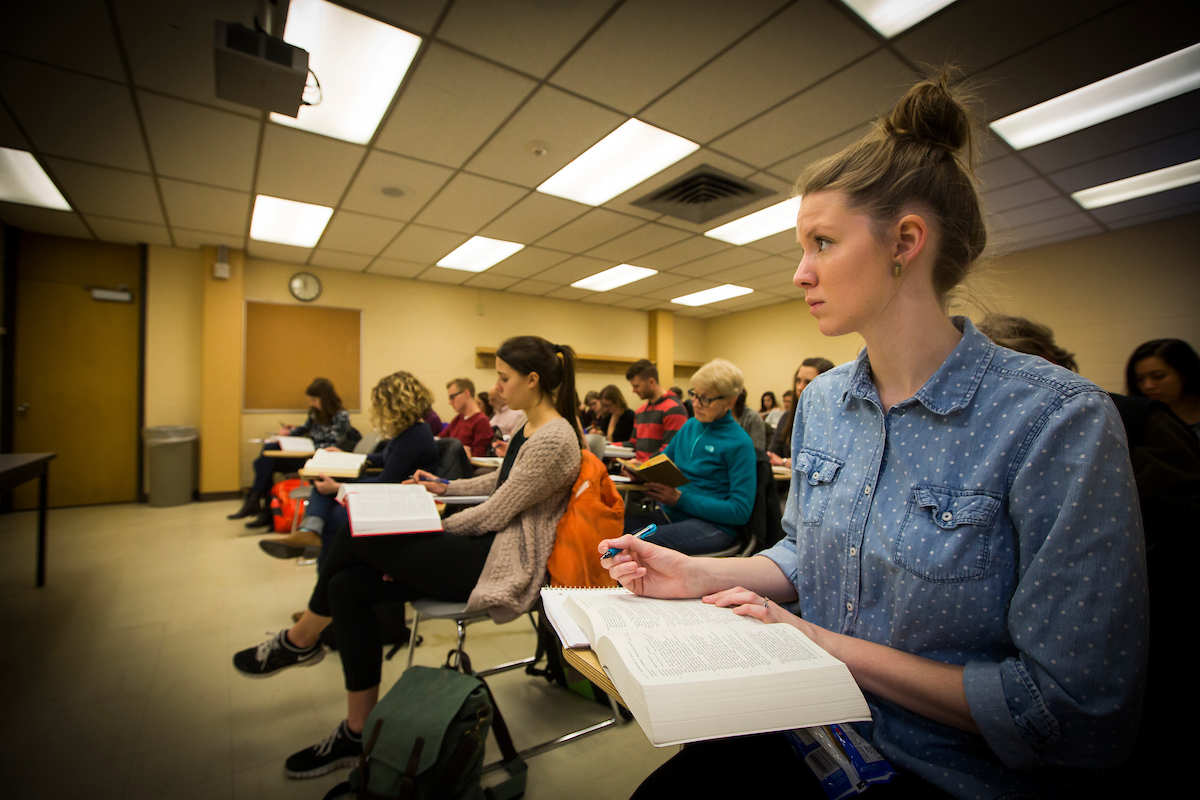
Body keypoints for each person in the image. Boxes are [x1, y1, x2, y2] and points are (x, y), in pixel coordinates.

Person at [600, 75, 1147, 800]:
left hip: (938, 769)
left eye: (822, 242)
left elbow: (1072, 714)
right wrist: (698, 575)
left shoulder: (1054, 420)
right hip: (809, 724)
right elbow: (804, 551)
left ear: (905, 242)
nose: (800, 272)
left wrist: (822, 644)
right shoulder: (825, 400)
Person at [233, 336, 583, 779]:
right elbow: (501, 483)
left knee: (358, 534)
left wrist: (428, 525)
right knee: (346, 587)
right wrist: (444, 488)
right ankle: (356, 730)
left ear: (532, 381)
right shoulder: (532, 426)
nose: (495, 386)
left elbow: (498, 510)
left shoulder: (556, 436)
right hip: (485, 546)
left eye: (503, 377)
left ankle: (300, 640)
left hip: (500, 560)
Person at [257, 371, 440, 563]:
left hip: (400, 496)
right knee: (327, 482)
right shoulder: (408, 432)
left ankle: (315, 540)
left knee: (335, 509)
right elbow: (384, 459)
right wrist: (348, 456)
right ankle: (309, 532)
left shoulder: (415, 436)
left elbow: (387, 480)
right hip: (392, 489)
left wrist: (338, 488)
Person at [621, 359, 756, 555]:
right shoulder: (690, 426)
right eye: (694, 395)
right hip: (674, 515)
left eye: (706, 399)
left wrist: (680, 499)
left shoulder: (739, 443)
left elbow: (740, 511)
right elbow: (660, 463)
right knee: (614, 532)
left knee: (634, 548)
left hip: (714, 527)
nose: (696, 404)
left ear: (730, 401)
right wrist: (641, 472)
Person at [229, 377, 351, 528]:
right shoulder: (314, 413)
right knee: (266, 455)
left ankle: (258, 503)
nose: (312, 403)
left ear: (324, 399)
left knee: (262, 463)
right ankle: (260, 505)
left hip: (319, 458)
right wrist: (289, 433)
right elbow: (305, 428)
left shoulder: (340, 416)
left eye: (314, 400)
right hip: (308, 453)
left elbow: (334, 442)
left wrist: (311, 444)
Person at [1126, 338, 1200, 438]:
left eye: (1158, 376)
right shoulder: (1136, 420)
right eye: (1139, 379)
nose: (1147, 386)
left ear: (1185, 373)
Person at [766, 358, 833, 468]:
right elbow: (773, 455)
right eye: (798, 381)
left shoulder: (834, 420)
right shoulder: (788, 417)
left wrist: (785, 462)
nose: (800, 387)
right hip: (786, 482)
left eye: (808, 382)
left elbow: (824, 464)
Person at [624, 359, 688, 461]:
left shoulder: (674, 409)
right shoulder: (640, 411)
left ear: (651, 382)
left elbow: (670, 450)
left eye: (636, 386)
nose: (633, 391)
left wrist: (642, 465)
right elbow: (633, 444)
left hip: (657, 474)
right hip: (639, 471)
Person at [441, 378, 493, 457]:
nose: (450, 403)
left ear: (466, 393)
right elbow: (440, 440)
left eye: (452, 397)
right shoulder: (458, 419)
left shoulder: (481, 421)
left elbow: (479, 458)